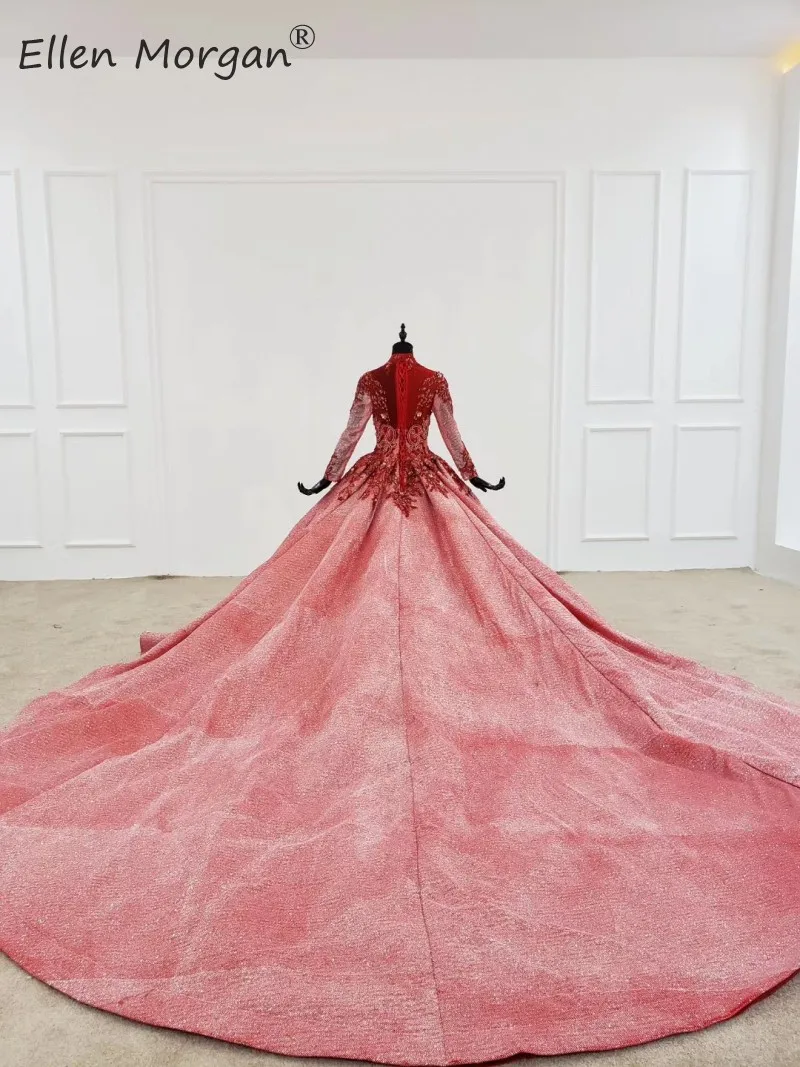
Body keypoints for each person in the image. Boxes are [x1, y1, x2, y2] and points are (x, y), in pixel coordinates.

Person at [1, 326, 800, 1066]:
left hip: (374, 489)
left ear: (393, 359)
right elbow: (449, 436)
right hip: (428, 487)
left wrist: (327, 479)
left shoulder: (371, 378)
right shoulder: (436, 377)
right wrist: (473, 474)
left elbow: (352, 436)